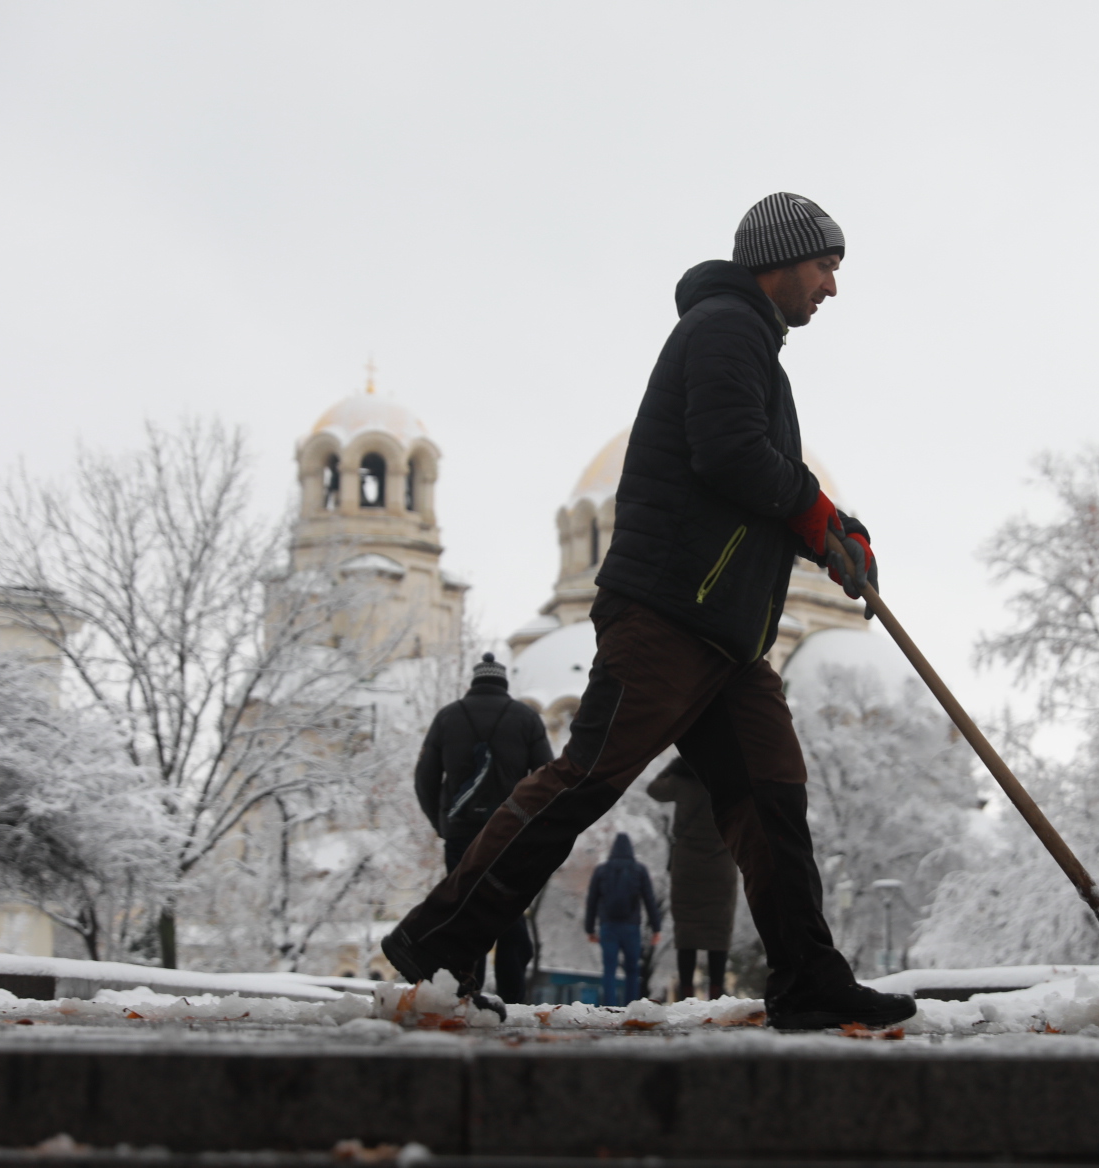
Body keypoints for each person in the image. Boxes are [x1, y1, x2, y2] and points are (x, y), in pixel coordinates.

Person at [383, 192, 916, 1031]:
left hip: (726, 637)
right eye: (826, 267)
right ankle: (439, 939)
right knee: (586, 778)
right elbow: (732, 454)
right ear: (779, 260)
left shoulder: (753, 345)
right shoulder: (724, 329)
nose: (832, 288)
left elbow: (752, 467)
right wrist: (818, 517)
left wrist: (832, 530)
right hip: (672, 614)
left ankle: (808, 977)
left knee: (769, 795)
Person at [409, 652, 552, 1005]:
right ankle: (513, 997)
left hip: (460, 833)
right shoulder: (526, 718)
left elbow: (424, 779)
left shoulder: (447, 717)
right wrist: (533, 825)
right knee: (507, 908)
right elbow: (548, 775)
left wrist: (441, 823)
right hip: (510, 833)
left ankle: (467, 993)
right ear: (503, 683)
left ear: (474, 682)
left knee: (465, 910)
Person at [648, 757, 737, 999]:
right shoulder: (730, 780)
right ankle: (716, 992)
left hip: (687, 865)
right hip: (721, 864)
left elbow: (653, 788)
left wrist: (676, 764)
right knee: (719, 929)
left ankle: (686, 992)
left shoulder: (681, 781)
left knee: (686, 929)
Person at [584, 833, 662, 1006]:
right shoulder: (639, 870)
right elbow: (649, 900)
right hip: (631, 927)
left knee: (609, 970)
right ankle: (630, 1006)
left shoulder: (601, 870)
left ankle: (609, 1006)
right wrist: (657, 928)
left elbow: (592, 901)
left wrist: (589, 929)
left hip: (608, 926)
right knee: (632, 970)